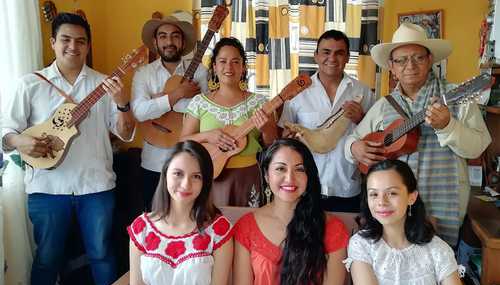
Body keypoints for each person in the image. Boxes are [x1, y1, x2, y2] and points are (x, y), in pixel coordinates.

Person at [1, 13, 136, 285]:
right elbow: (6, 129)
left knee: (102, 255)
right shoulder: (30, 84)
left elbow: (125, 133)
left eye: (80, 41)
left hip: (95, 185)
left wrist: (123, 105)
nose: (73, 47)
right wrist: (21, 141)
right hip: (47, 188)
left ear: (88, 46)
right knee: (47, 259)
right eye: (65, 39)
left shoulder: (104, 85)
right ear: (53, 42)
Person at [344, 22, 491, 246]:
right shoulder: (384, 105)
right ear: (391, 66)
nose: (409, 66)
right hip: (392, 211)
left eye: (418, 58)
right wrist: (355, 148)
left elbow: (478, 146)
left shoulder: (454, 97)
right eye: (401, 60)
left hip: (442, 209)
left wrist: (448, 125)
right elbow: (351, 141)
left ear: (430, 59)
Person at [217, 138, 350, 285]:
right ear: (267, 175)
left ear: (309, 177)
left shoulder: (331, 228)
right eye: (280, 168)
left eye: (299, 169)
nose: (290, 178)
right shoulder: (247, 226)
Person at [110, 140, 233, 285]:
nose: (186, 184)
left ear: (205, 182)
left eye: (196, 176)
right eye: (178, 173)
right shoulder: (142, 227)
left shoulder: (218, 229)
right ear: (165, 173)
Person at [345, 159, 477, 285]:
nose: (381, 202)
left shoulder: (438, 249)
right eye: (374, 194)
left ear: (412, 197)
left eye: (392, 193)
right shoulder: (361, 244)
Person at [280, 30, 375, 213]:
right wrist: (289, 137)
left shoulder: (364, 93)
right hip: (305, 188)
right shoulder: (297, 92)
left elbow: (376, 139)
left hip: (348, 189)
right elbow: (284, 137)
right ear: (316, 56)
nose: (332, 58)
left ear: (347, 57)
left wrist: (360, 118)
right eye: (326, 52)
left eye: (339, 53)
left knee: (345, 240)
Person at [180, 37, 278, 207]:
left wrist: (267, 128)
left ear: (243, 67)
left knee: (247, 228)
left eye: (235, 61)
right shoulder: (199, 102)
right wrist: (208, 136)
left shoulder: (260, 103)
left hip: (248, 176)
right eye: (223, 61)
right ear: (214, 66)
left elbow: (271, 145)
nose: (229, 67)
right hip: (209, 175)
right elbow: (182, 142)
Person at [132, 11, 207, 211]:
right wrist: (178, 94)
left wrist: (159, 101)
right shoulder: (143, 74)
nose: (169, 41)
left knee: (189, 219)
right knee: (154, 219)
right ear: (155, 42)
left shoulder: (200, 72)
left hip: (189, 163)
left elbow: (203, 113)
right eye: (163, 36)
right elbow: (139, 112)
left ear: (183, 42)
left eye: (175, 36)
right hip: (153, 163)